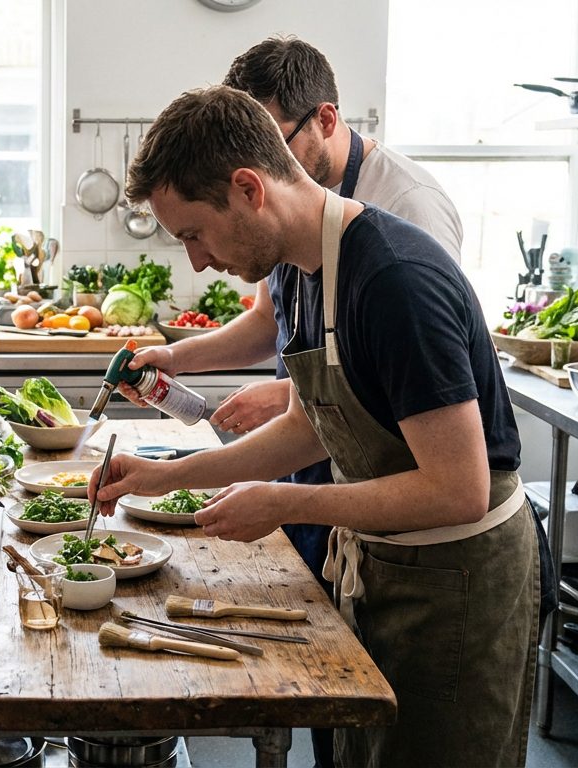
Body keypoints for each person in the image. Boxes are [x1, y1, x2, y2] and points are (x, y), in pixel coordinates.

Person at [97, 85, 538, 767]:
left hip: (457, 581)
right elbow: (307, 431)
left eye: (192, 233)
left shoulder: (394, 280)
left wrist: (285, 502)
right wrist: (162, 478)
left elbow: (458, 489)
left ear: (248, 188)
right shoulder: (302, 270)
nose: (197, 260)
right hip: (383, 563)